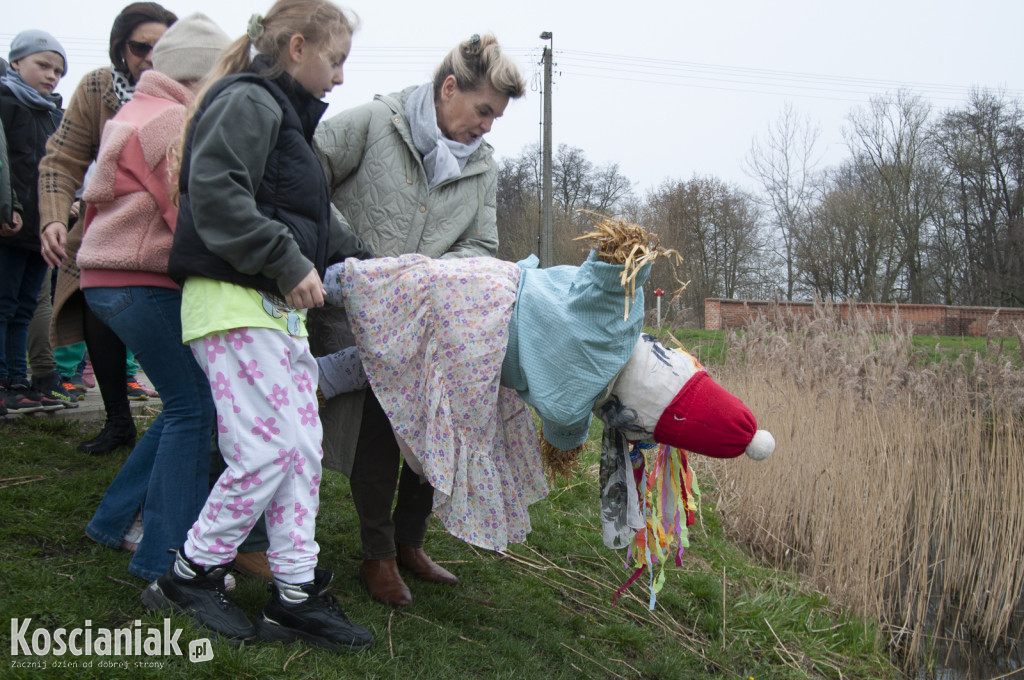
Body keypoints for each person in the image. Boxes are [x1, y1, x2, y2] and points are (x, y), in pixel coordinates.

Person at [142, 0, 374, 651]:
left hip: (274, 312)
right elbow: (214, 191)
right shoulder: (248, 102)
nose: (340, 77)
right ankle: (191, 574)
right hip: (231, 303)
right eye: (336, 60)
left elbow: (321, 224)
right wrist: (285, 258)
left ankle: (294, 596)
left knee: (300, 453)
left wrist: (379, 269)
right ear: (297, 47)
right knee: (266, 451)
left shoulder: (288, 123)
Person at [308, 33, 526, 606]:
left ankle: (410, 541)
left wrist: (430, 276)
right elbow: (304, 169)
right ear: (449, 87)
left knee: (434, 428)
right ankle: (377, 554)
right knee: (380, 432)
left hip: (431, 322)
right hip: (356, 303)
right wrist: (348, 249)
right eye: (483, 110)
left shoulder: (483, 168)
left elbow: (482, 242)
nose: (487, 126)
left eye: (496, 117)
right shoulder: (377, 121)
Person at [77, 12, 231, 583]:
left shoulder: (133, 111)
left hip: (107, 282)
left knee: (182, 403)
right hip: (141, 279)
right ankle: (163, 554)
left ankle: (115, 518)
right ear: (200, 75)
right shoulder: (172, 121)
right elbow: (185, 214)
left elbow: (97, 205)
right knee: (198, 406)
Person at [38, 2, 177, 452]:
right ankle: (118, 420)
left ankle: (180, 415)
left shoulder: (186, 95)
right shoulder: (100, 87)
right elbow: (62, 158)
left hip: (167, 234)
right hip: (100, 229)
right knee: (98, 316)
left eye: (162, 47)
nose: (151, 57)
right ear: (122, 49)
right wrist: (55, 217)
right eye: (141, 47)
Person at [0, 30, 68, 415]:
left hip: (40, 229)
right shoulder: (5, 103)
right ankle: (3, 380)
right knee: (3, 304)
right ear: (15, 62)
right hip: (9, 224)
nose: (52, 75)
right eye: (43, 64)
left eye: (58, 70)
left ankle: (18, 379)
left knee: (25, 306)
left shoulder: (52, 114)